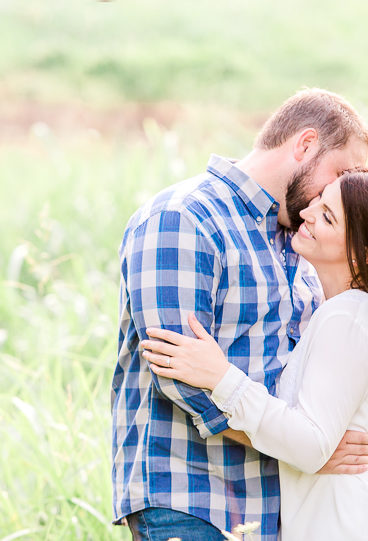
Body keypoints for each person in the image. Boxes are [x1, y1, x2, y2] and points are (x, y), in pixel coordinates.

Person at [111, 88, 368, 541]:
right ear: (305, 145)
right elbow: (178, 373)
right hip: (192, 500)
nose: (338, 191)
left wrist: (309, 445)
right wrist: (310, 450)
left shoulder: (299, 247)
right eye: (342, 172)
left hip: (277, 509)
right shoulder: (184, 217)